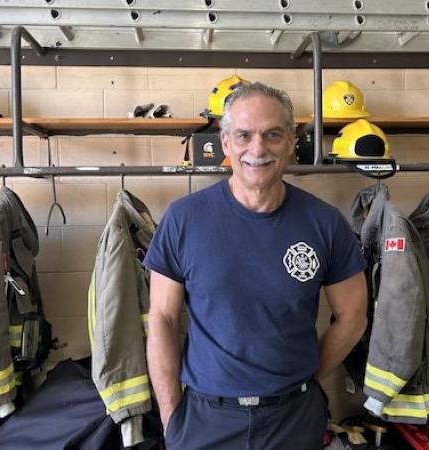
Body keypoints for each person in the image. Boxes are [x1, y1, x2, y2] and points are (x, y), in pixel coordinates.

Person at [144, 82, 368, 450]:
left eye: (273, 135)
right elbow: (162, 320)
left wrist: (304, 378)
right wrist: (172, 420)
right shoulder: (183, 219)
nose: (258, 149)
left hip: (294, 420)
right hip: (205, 421)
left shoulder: (325, 224)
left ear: (292, 140)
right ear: (226, 142)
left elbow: (353, 316)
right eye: (244, 135)